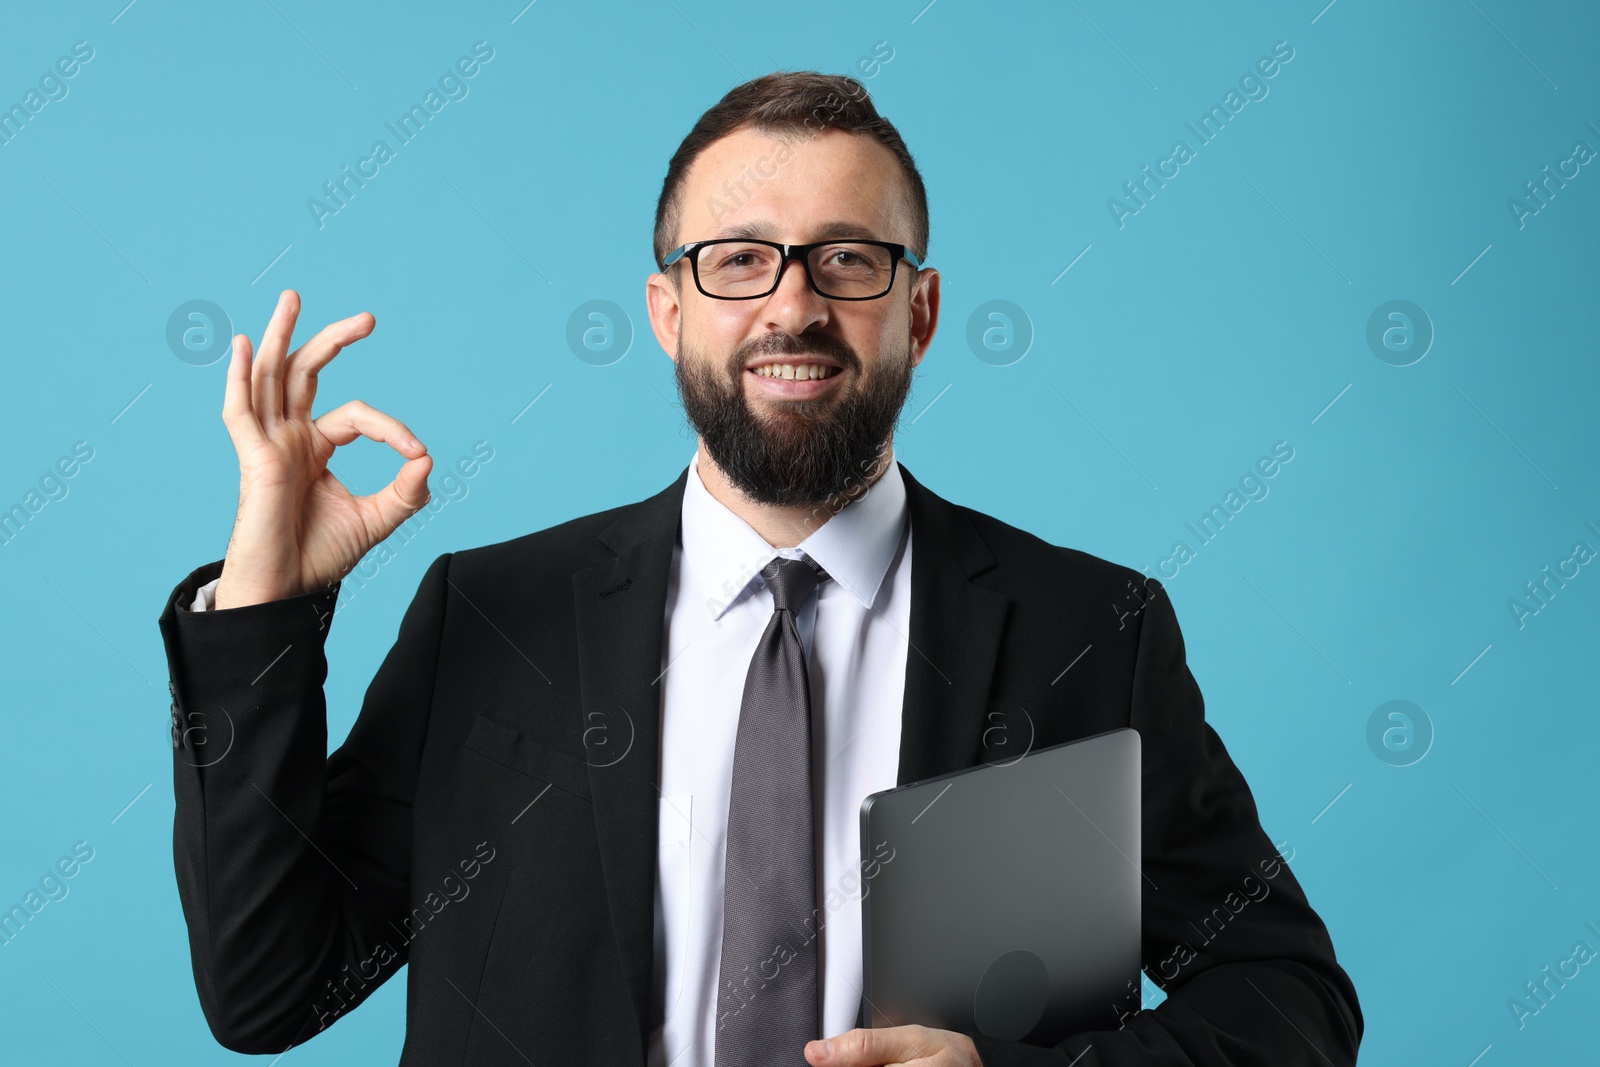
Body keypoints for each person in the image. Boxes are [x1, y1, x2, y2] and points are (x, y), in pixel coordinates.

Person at [158, 72, 1362, 1066]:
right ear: (667, 308)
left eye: (848, 261)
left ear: (921, 311)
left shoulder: (1089, 628)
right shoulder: (492, 614)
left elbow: (1289, 997)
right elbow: (271, 989)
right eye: (738, 260)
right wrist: (264, 595)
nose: (792, 305)